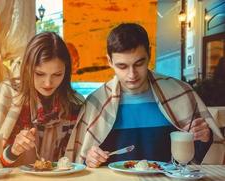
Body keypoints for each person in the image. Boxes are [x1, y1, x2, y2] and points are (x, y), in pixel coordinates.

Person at [65, 23, 224, 167]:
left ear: (149, 54)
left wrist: (204, 138)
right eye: (122, 66)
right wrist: (90, 159)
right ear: (109, 61)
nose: (132, 74)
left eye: (139, 63)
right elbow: (79, 163)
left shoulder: (181, 92)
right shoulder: (96, 102)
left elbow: (196, 159)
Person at [0, 32, 83, 167]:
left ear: (67, 71)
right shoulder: (9, 95)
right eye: (39, 74)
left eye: (57, 74)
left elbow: (78, 160)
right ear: (27, 68)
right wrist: (13, 151)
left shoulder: (74, 104)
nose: (48, 83)